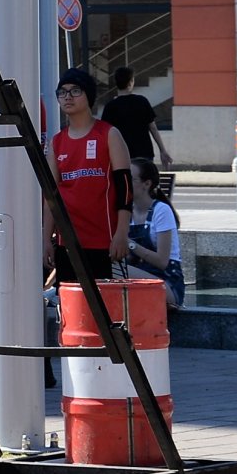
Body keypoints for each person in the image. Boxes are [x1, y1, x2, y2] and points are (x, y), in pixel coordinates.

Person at [44, 67, 133, 283]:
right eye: (62, 92)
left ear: (88, 96)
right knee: (70, 306)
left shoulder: (109, 134)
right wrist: (46, 237)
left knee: (103, 309)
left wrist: (122, 233)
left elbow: (125, 189)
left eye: (75, 91)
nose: (67, 97)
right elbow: (50, 195)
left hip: (104, 241)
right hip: (68, 242)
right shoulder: (57, 142)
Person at [126, 158, 185, 309]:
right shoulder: (127, 211)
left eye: (130, 179)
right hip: (140, 278)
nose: (124, 182)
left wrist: (129, 244)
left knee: (115, 272)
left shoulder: (161, 210)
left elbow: (162, 261)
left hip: (168, 284)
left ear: (147, 184)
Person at [101, 66, 172, 166]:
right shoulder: (142, 101)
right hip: (144, 154)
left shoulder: (110, 107)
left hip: (120, 156)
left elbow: (105, 135)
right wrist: (162, 151)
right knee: (144, 180)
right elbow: (153, 128)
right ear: (130, 83)